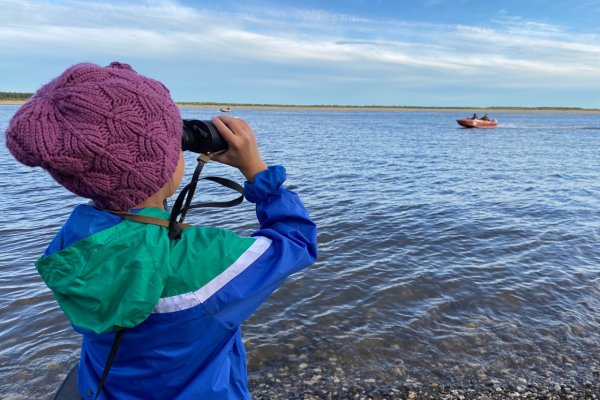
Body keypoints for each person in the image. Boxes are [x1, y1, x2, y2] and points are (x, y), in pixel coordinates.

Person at [5, 62, 318, 399]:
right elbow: (297, 240)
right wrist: (256, 170)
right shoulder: (207, 259)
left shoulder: (73, 242)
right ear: (163, 165)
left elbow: (132, 216)